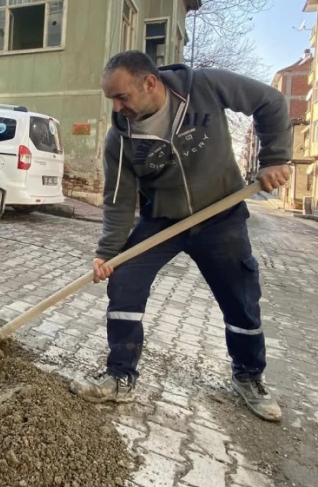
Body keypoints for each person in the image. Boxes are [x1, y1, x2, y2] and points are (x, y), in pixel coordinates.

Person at [69, 51, 292, 422]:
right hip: (163, 222)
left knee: (241, 298)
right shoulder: (120, 138)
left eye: (122, 96)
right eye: (111, 98)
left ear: (150, 83)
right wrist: (108, 252)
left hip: (221, 215)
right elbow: (119, 201)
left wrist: (275, 157)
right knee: (124, 280)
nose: (117, 106)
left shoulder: (203, 86)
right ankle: (120, 375)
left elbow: (270, 102)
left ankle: (248, 376)